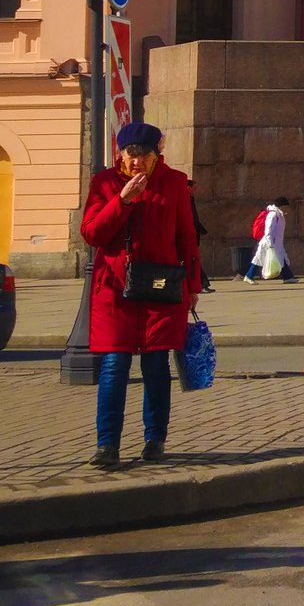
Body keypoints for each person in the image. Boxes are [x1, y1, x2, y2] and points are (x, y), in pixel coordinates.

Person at [79, 122, 203, 468]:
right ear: (120, 154)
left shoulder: (174, 182)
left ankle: (155, 439)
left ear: (156, 155)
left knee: (156, 365)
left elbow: (187, 237)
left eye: (144, 156)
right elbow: (92, 233)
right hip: (114, 290)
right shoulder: (104, 183)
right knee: (114, 366)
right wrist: (122, 200)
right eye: (130, 156)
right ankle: (107, 445)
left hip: (161, 288)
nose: (136, 163)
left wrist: (192, 286)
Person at [245, 197, 292, 282]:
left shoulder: (279, 215)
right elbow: (269, 229)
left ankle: (288, 277)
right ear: (281, 206)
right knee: (259, 259)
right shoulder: (273, 215)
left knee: (281, 258)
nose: (287, 209)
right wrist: (270, 243)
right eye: (285, 206)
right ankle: (249, 276)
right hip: (269, 242)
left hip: (276, 243)